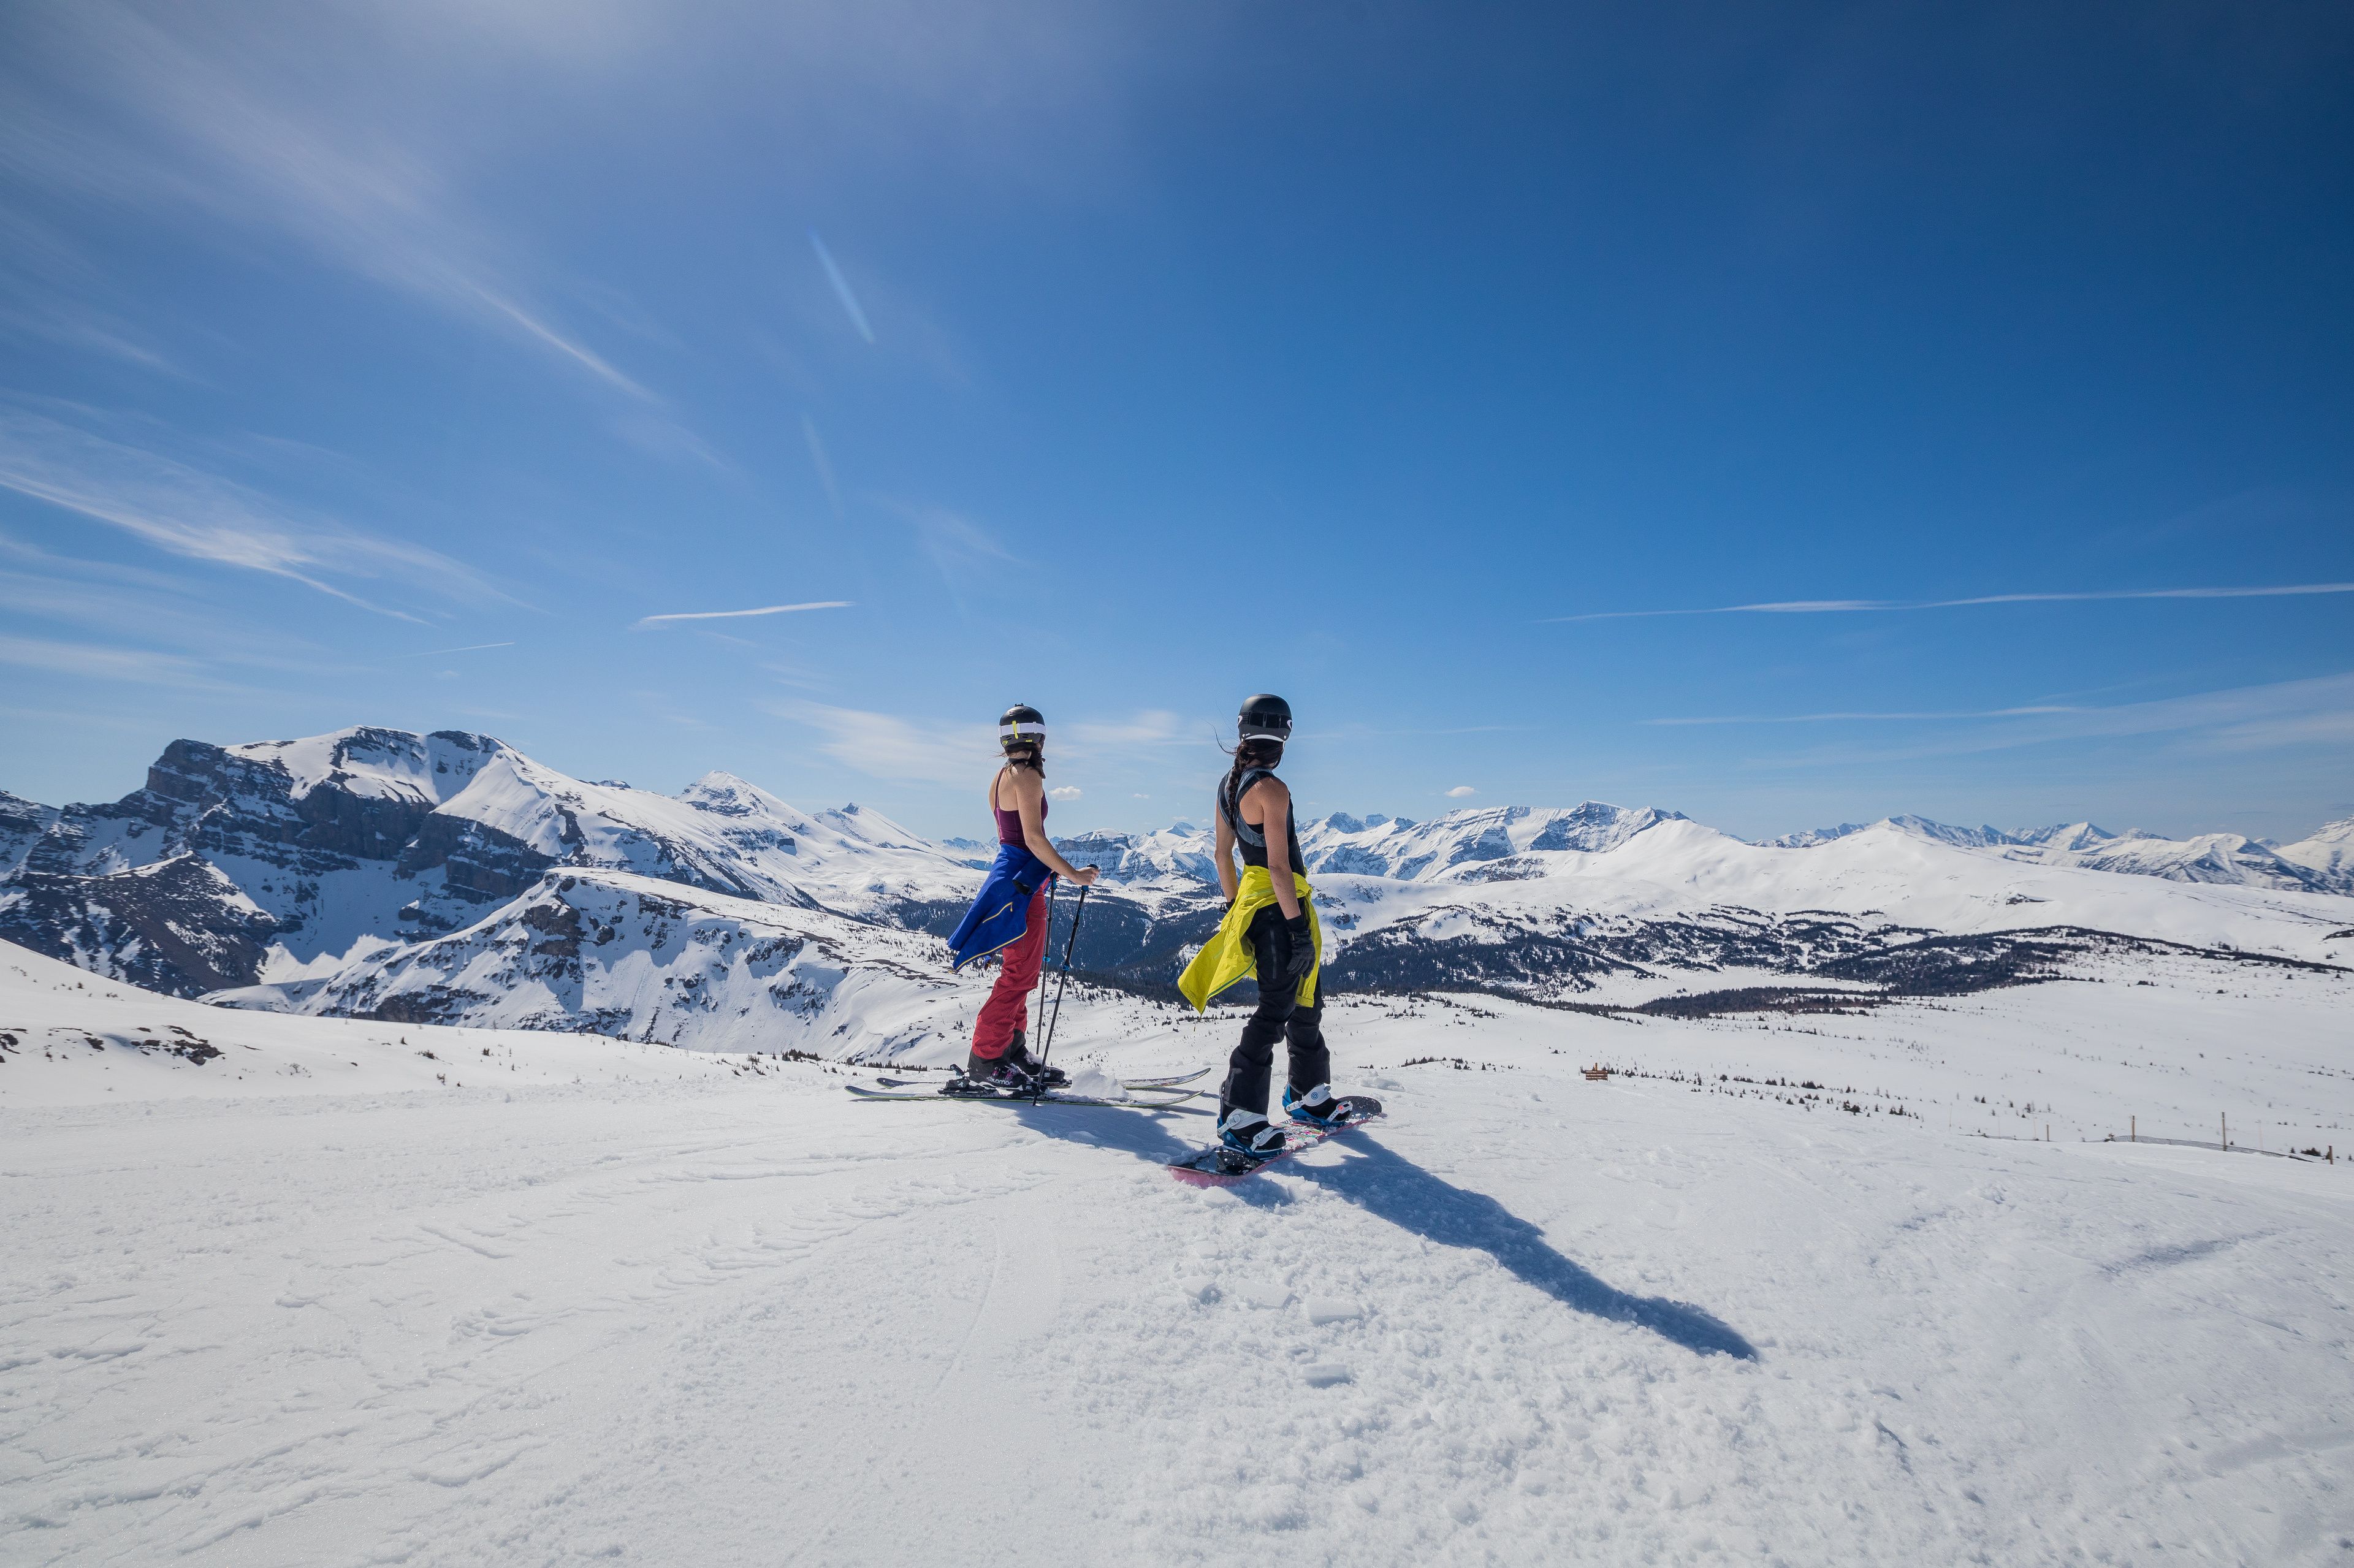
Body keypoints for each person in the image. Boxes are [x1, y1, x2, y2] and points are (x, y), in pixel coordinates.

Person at [1178, 693, 1358, 1157]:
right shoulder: (1272, 790)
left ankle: (1308, 1094)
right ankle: (1241, 1115)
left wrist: (1238, 908)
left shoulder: (1228, 785)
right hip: (1282, 910)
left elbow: (1223, 856)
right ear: (1284, 736)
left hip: (1256, 906)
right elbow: (1280, 868)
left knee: (1303, 1000)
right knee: (1279, 1009)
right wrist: (1296, 929)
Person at [944, 704, 1099, 1090]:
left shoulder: (1001, 777)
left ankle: (1012, 1050)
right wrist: (1074, 874)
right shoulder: (1027, 776)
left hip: (1014, 878)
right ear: (1039, 738)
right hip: (1023, 885)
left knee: (1023, 972)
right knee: (1018, 976)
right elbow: (1033, 838)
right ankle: (986, 1058)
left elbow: (1011, 836)